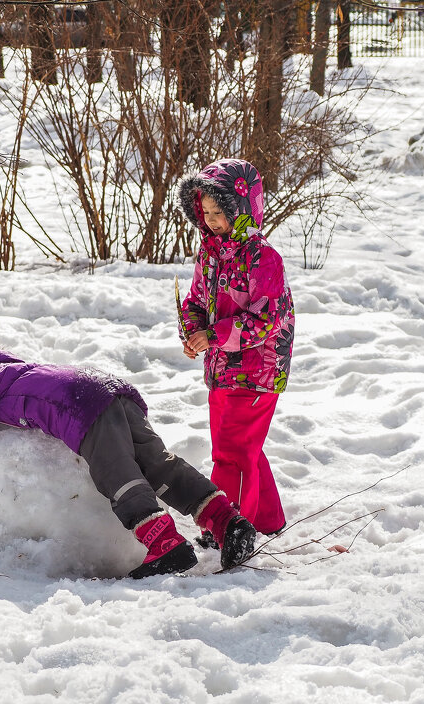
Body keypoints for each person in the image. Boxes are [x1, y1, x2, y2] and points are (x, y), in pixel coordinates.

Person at [0, 335, 258, 579]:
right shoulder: (13, 370)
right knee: (157, 463)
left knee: (116, 472)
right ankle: (227, 520)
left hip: (79, 407)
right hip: (110, 389)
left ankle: (164, 544)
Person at [176, 158, 295, 542]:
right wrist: (195, 330)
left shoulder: (263, 259)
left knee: (233, 452)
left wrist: (216, 335)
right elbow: (195, 300)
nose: (211, 220)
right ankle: (267, 519)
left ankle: (228, 529)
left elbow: (267, 319)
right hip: (222, 367)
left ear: (241, 210)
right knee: (244, 448)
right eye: (205, 212)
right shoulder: (210, 252)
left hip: (257, 369)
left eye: (219, 212)